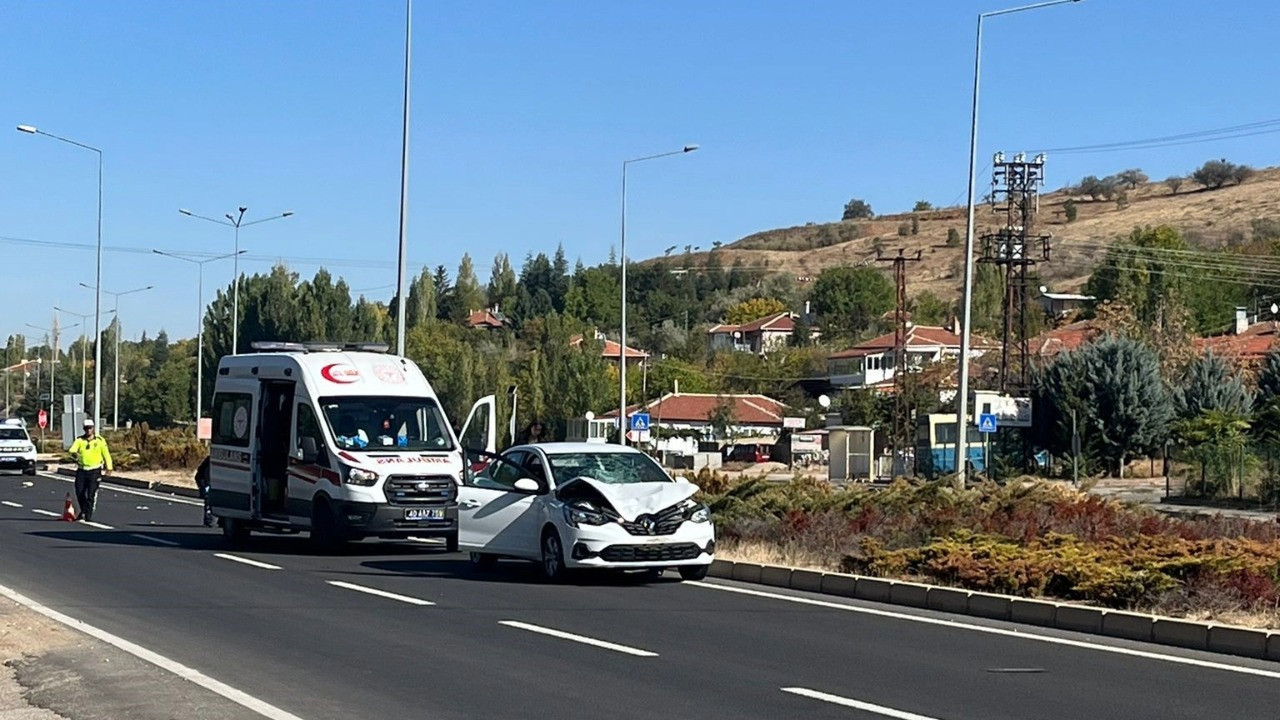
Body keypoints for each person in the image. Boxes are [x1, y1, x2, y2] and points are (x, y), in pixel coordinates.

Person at [68, 419, 112, 522]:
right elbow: (72, 450)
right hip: (82, 470)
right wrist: (75, 454)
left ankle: (88, 515)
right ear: (84, 429)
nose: (88, 430)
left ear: (93, 428)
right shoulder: (80, 440)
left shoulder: (100, 441)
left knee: (91, 494)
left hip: (94, 470)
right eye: (86, 428)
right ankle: (83, 510)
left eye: (90, 428)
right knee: (79, 492)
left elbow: (106, 455)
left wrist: (109, 467)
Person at [194, 455, 213, 527]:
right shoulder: (209, 462)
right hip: (206, 482)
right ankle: (208, 520)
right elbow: (200, 475)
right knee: (208, 500)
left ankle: (210, 519)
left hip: (210, 483)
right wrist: (203, 485)